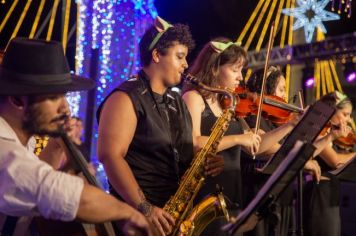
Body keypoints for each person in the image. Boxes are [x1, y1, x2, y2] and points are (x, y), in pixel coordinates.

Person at [0, 38, 150, 235]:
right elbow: (56, 190)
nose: (66, 109)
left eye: (64, 96)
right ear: (18, 99)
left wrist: (59, 147)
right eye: (54, 97)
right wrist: (130, 213)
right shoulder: (5, 153)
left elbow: (36, 177)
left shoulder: (23, 140)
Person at [97, 17, 224, 236]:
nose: (186, 64)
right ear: (156, 55)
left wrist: (204, 160)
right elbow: (110, 156)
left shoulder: (176, 102)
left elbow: (182, 151)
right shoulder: (126, 97)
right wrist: (145, 208)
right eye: (180, 57)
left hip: (173, 218)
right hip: (139, 221)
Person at [182, 39, 299, 235]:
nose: (241, 77)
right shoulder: (194, 97)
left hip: (231, 196)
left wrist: (291, 125)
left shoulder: (228, 102)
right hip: (205, 194)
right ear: (214, 68)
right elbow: (195, 143)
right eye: (236, 70)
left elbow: (257, 147)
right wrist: (238, 138)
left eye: (242, 70)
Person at [303, 91, 355, 236]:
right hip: (319, 193)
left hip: (331, 192)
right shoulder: (319, 131)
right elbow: (335, 161)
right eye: (345, 114)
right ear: (331, 112)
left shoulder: (332, 133)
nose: (349, 119)